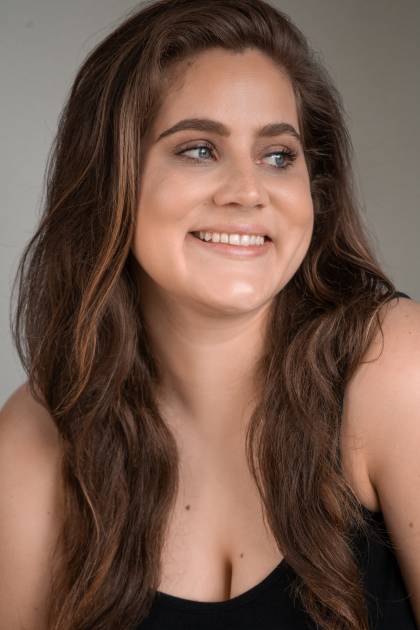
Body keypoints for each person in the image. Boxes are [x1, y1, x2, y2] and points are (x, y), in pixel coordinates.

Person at [0, 0, 419, 628]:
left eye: (278, 156)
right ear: (111, 179)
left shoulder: (394, 365)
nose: (248, 191)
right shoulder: (36, 438)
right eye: (199, 149)